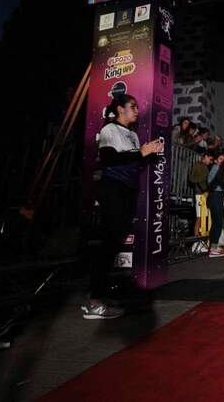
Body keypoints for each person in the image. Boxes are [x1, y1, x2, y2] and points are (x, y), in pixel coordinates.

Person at [83, 95, 163, 319]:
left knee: (115, 241)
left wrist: (149, 154)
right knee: (109, 242)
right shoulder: (109, 129)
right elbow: (109, 159)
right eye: (132, 107)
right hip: (113, 189)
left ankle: (98, 296)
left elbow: (133, 160)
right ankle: (94, 301)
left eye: (137, 107)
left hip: (128, 191)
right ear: (120, 109)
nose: (137, 110)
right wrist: (140, 152)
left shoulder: (134, 135)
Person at [206, 152, 224, 257]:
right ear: (216, 160)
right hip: (215, 197)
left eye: (223, 159)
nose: (222, 161)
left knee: (217, 223)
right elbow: (222, 184)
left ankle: (213, 246)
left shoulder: (218, 169)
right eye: (220, 159)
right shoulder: (216, 168)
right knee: (218, 223)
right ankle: (213, 249)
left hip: (216, 197)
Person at [187, 149, 214, 241]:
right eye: (210, 159)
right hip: (200, 194)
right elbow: (191, 179)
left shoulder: (201, 166)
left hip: (202, 193)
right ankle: (196, 237)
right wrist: (203, 178)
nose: (210, 161)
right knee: (200, 216)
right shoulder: (200, 166)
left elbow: (192, 178)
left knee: (203, 216)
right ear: (205, 157)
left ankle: (199, 237)